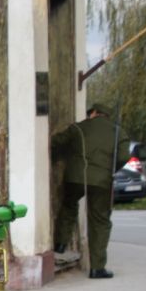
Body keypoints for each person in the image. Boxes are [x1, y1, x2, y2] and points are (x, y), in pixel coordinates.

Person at [51, 102, 118, 278]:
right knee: (100, 220)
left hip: (75, 177)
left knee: (69, 205)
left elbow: (57, 141)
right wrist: (110, 168)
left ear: (94, 113)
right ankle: (97, 268)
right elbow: (125, 155)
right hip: (102, 180)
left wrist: (61, 157)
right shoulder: (117, 131)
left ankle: (60, 244)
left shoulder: (77, 128)